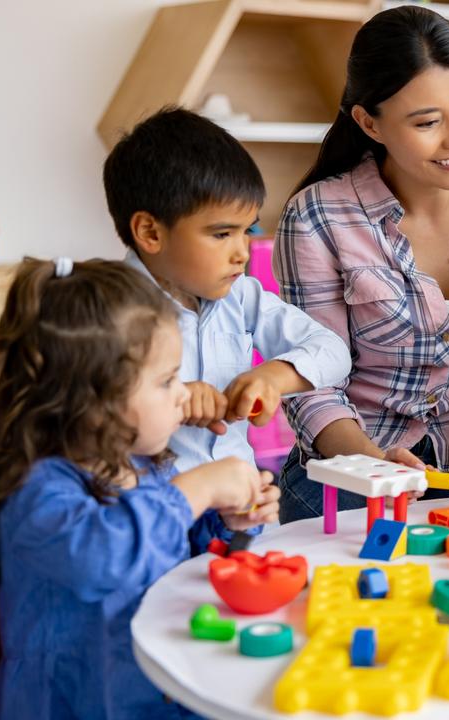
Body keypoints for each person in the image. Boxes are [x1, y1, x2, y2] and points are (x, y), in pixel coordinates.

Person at [273, 5, 449, 522]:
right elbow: (312, 384)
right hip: (357, 463)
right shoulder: (318, 216)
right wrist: (373, 462)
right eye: (427, 121)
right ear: (369, 123)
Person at [0, 258, 275, 718]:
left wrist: (232, 525)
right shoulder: (37, 490)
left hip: (151, 691)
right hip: (71, 705)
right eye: (165, 380)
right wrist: (196, 491)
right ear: (93, 401)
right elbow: (103, 557)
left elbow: (183, 555)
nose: (183, 393)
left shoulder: (149, 470)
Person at [102, 107, 351, 477]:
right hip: (160, 518)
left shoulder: (242, 296)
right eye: (222, 234)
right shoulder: (104, 310)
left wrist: (272, 377)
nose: (242, 253)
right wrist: (174, 398)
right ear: (151, 233)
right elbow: (85, 417)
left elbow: (333, 352)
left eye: (246, 232)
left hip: (244, 508)